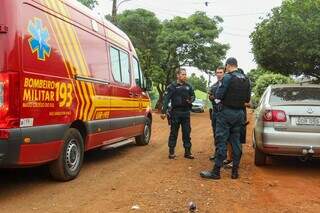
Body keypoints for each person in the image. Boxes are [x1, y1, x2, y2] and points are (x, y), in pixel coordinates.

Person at [200, 57, 251, 179]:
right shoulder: (246, 79)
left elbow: (218, 95)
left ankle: (216, 172)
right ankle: (235, 172)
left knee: (221, 140)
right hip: (240, 114)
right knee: (236, 142)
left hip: (226, 113)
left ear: (228, 65)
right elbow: (247, 99)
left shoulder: (227, 77)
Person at [161, 68, 196, 159]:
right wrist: (163, 112)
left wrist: (191, 99)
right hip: (175, 113)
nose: (185, 76)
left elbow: (193, 96)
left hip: (186, 113)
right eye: (183, 74)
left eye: (185, 74)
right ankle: (171, 152)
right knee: (174, 133)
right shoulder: (172, 86)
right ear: (178, 75)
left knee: (187, 133)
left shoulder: (189, 86)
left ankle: (187, 152)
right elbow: (166, 99)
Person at [208, 67, 225, 160]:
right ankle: (217, 153)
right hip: (215, 112)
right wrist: (212, 97)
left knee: (224, 134)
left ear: (224, 73)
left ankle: (224, 155)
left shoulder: (227, 85)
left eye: (221, 72)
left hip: (224, 113)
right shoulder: (214, 86)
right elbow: (210, 96)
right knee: (216, 134)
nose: (219, 74)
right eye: (217, 72)